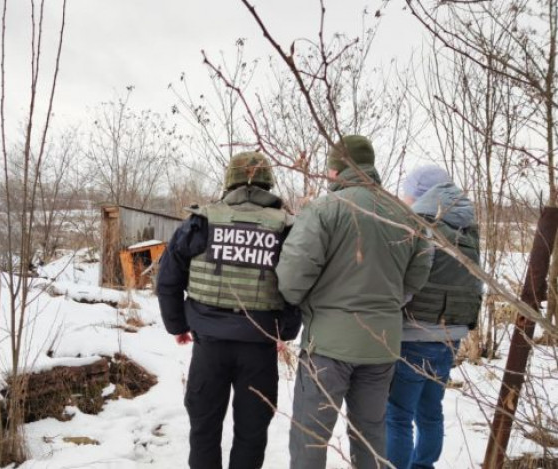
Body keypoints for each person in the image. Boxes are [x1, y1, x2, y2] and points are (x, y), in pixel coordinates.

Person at [276, 135, 432, 469]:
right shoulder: (405, 216)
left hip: (327, 348)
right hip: (381, 346)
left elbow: (291, 277)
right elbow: (417, 276)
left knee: (310, 437)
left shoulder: (323, 210)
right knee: (371, 436)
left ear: (336, 169)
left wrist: (307, 303)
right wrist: (389, 301)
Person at [157, 151, 301, 469]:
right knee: (252, 433)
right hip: (260, 349)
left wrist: (177, 326)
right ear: (268, 182)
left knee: (204, 429)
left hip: (209, 347)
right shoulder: (287, 227)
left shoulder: (201, 222)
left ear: (229, 181)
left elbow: (168, 278)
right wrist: (284, 332)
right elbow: (299, 286)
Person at [386, 165, 483, 469]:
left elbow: (406, 283)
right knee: (430, 410)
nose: (404, 199)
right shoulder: (467, 228)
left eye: (407, 193)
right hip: (450, 334)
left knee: (397, 414)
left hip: (414, 333)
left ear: (419, 194)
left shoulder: (419, 226)